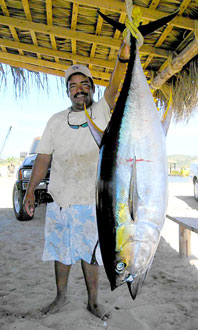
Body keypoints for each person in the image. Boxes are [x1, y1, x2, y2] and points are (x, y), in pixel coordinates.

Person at [24, 41, 129, 320]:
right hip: (59, 200)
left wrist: (122, 56)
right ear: (68, 91)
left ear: (92, 88)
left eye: (84, 84)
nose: (79, 89)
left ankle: (93, 302)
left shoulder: (101, 111)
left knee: (90, 253)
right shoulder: (56, 120)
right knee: (61, 251)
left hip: (90, 201)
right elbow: (43, 157)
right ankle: (60, 296)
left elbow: (116, 86)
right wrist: (31, 190)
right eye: (73, 85)